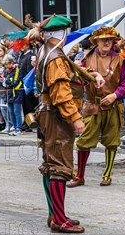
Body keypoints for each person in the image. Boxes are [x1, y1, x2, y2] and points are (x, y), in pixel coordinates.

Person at [33, 15, 102, 233]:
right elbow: (61, 92)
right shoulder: (55, 56)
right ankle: (58, 219)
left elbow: (72, 70)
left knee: (52, 166)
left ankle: (56, 213)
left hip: (49, 113)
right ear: (62, 33)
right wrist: (75, 118)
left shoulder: (50, 51)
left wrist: (92, 75)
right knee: (59, 168)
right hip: (56, 115)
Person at [69, 26, 125, 188]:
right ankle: (80, 176)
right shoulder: (87, 58)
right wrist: (78, 70)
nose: (107, 43)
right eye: (103, 40)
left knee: (112, 141)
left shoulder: (120, 60)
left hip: (112, 106)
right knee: (83, 141)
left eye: (110, 40)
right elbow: (79, 78)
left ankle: (107, 174)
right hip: (91, 104)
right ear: (96, 41)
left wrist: (114, 95)